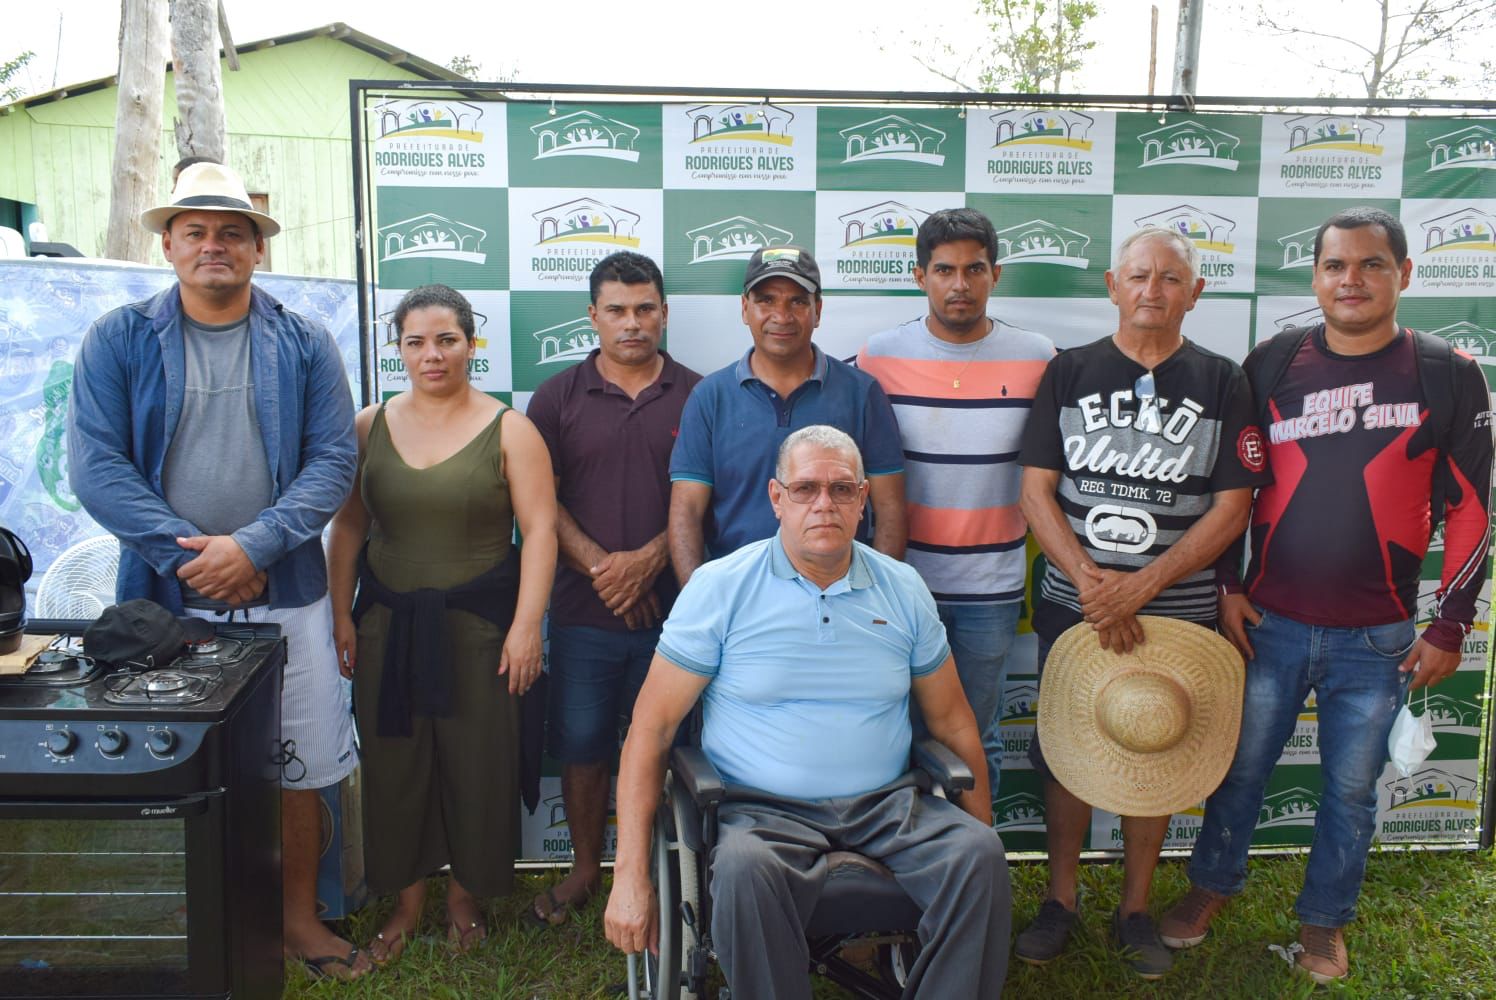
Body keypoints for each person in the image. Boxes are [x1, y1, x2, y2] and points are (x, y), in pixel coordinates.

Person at [1159, 207, 1494, 983]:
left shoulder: (1447, 371)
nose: (1352, 280)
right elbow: (1230, 489)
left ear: (1404, 274)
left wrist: (1450, 623)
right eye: (1336, 265)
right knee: (1239, 771)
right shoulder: (1272, 362)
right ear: (1314, 277)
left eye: (1372, 264)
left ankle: (1324, 919)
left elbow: (1473, 507)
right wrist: (1227, 585)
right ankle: (1211, 885)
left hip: (1378, 636)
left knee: (1349, 790)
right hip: (1269, 624)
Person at [67, 162, 367, 978]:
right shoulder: (119, 339)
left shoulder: (305, 343)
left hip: (288, 590)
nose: (213, 246)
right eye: (194, 231)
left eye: (232, 232)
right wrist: (193, 559)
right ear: (167, 245)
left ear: (257, 249)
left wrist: (254, 547)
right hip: (166, 600)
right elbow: (96, 467)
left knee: (299, 764)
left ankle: (299, 918)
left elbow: (333, 461)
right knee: (176, 761)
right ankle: (192, 917)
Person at [606, 425, 1011, 999]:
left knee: (980, 855)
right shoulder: (720, 588)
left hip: (889, 806)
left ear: (864, 499)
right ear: (777, 498)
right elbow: (652, 730)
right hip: (761, 813)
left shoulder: (903, 588)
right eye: (805, 489)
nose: (825, 504)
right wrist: (629, 876)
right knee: (743, 867)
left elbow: (953, 722)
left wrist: (980, 824)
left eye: (842, 489)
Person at [1014, 226, 1267, 979]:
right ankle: (1059, 900)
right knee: (1066, 749)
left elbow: (1233, 507)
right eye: (1138, 275)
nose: (1152, 290)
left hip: (1176, 611)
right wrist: (1093, 583)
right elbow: (1036, 492)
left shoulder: (1222, 380)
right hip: (1078, 604)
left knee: (1156, 744)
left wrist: (1142, 587)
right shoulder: (1068, 371)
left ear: (1196, 292)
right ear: (1112, 286)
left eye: (1169, 278)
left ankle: (1134, 908)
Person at [325, 284, 557, 963]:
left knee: (477, 765)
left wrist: (527, 625)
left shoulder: (510, 429)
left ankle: (464, 898)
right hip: (387, 628)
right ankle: (406, 902)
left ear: (470, 344)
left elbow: (540, 531)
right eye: (416, 342)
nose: (432, 354)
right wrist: (340, 614)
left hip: (480, 631)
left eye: (447, 340)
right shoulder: (368, 426)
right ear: (398, 349)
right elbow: (348, 527)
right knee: (395, 764)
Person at [524, 252, 700, 926]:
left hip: (678, 618)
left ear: (665, 313)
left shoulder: (700, 394)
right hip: (583, 612)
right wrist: (608, 571)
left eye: (645, 309)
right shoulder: (556, 397)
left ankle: (661, 868)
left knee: (669, 747)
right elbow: (538, 504)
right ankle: (584, 869)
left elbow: (708, 501)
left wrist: (650, 561)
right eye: (617, 310)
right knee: (584, 745)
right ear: (592, 316)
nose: (633, 323)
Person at [858, 207, 1054, 803]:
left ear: (996, 274)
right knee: (893, 737)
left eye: (975, 269)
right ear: (921, 276)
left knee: (978, 737)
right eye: (944, 270)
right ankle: (904, 857)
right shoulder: (877, 357)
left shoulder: (1039, 357)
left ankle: (976, 859)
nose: (960, 284)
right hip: (897, 585)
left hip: (990, 589)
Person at [667, 245, 906, 584]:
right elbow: (686, 513)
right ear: (745, 308)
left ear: (818, 310)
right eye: (766, 300)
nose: (782, 316)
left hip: (838, 595)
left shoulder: (861, 393)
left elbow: (890, 509)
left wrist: (877, 597)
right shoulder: (710, 397)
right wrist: (699, 600)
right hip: (738, 596)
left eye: (797, 301)